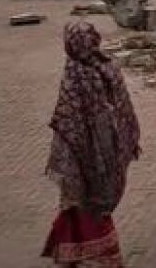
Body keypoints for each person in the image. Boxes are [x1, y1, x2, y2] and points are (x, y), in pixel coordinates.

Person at [42, 22, 142, 268]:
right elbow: (123, 112)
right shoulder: (108, 68)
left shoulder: (76, 73)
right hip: (104, 152)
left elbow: (68, 120)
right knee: (87, 204)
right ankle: (74, 253)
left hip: (84, 154)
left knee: (83, 202)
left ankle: (95, 255)